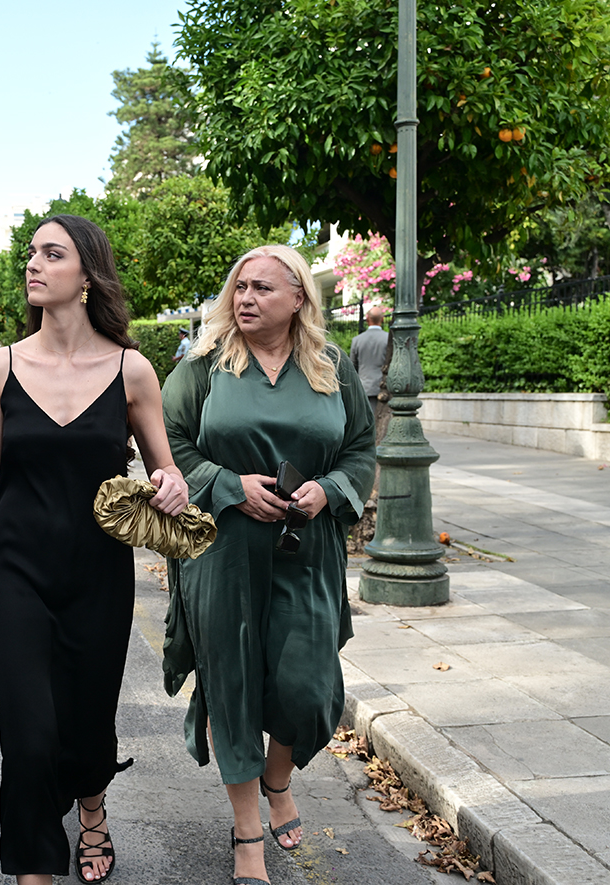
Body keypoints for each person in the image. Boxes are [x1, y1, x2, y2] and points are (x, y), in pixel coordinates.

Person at [0, 215, 187, 884]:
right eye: (32, 252)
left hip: (99, 577)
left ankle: (92, 807)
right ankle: (34, 869)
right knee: (29, 738)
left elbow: (166, 471)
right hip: (16, 575)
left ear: (88, 274)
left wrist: (171, 485)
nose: (33, 264)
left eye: (52, 253)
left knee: (87, 729)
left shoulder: (132, 371)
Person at [160, 244, 375, 885]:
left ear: (299, 298)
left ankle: (277, 780)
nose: (245, 298)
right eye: (240, 287)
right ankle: (247, 829)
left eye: (262, 288)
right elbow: (167, 444)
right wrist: (230, 486)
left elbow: (360, 446)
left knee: (308, 687)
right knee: (230, 684)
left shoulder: (331, 366)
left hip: (306, 549)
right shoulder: (203, 365)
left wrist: (329, 491)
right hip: (223, 549)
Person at [350, 305, 391, 434]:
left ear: (367, 319)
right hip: (385, 386)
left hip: (365, 386)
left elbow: (352, 366)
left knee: (367, 423)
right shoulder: (388, 339)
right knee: (384, 423)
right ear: (382, 319)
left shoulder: (357, 340)